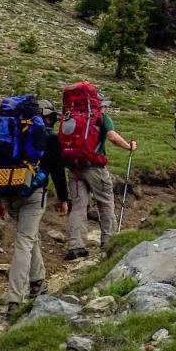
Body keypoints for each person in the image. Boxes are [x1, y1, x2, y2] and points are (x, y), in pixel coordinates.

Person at [0, 99, 70, 313]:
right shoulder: (48, 137)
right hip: (33, 193)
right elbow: (58, 171)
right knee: (24, 242)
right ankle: (15, 299)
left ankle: (37, 280)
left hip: (7, 190)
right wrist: (63, 199)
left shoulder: (9, 129)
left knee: (29, 236)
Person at [62, 84, 136, 260]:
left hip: (74, 167)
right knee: (105, 202)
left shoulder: (68, 116)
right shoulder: (101, 117)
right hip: (95, 167)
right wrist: (128, 147)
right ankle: (108, 240)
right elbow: (112, 137)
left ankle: (76, 246)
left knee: (78, 206)